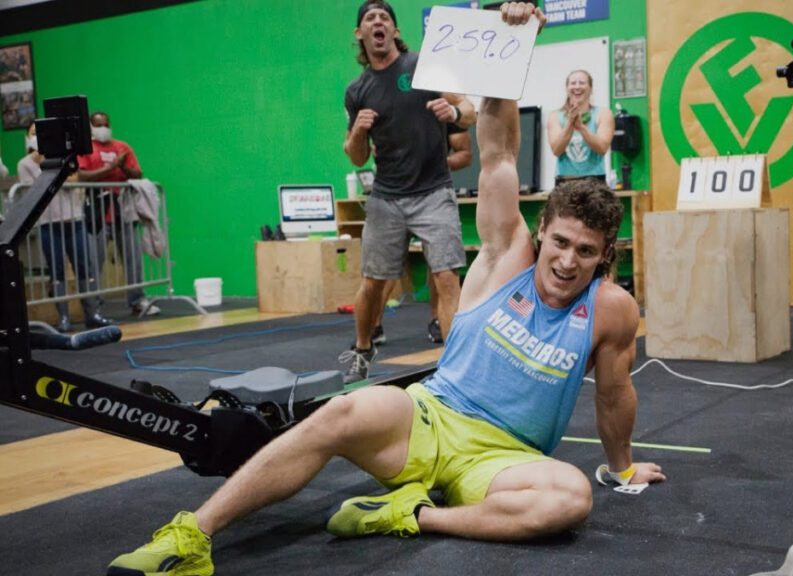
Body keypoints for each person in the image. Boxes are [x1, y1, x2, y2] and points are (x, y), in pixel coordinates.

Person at [105, 4, 664, 575]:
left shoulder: (610, 310)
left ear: (604, 258)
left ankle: (408, 514)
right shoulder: (506, 256)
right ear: (541, 232)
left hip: (504, 462)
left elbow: (614, 396)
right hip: (430, 418)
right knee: (341, 413)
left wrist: (621, 469)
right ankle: (191, 535)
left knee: (570, 498)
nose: (568, 262)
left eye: (586, 252)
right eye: (561, 243)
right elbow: (495, 153)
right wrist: (511, 44)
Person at [339, 0, 476, 382]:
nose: (379, 22)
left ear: (395, 31)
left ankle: (455, 367)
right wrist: (358, 131)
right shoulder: (357, 91)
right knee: (373, 283)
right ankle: (363, 349)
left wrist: (454, 114)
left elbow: (470, 110)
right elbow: (356, 157)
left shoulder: (424, 66)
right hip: (387, 197)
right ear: (360, 34)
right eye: (371, 18)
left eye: (385, 17)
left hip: (434, 191)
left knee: (447, 276)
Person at [374, 123, 472, 346]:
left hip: (433, 197)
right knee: (386, 268)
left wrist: (433, 164)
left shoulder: (441, 103)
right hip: (394, 197)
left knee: (442, 267)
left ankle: (439, 322)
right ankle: (373, 327)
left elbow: (465, 155)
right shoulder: (390, 104)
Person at [17, 122, 112, 332]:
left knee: (84, 268)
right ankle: (64, 317)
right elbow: (36, 193)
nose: (37, 137)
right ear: (27, 137)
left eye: (40, 133)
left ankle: (92, 313)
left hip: (75, 220)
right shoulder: (24, 164)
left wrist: (55, 170)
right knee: (57, 271)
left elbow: (72, 181)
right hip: (48, 224)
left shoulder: (64, 158)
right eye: (33, 134)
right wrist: (45, 166)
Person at [76, 111, 161, 318]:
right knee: (95, 261)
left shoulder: (122, 147)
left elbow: (137, 173)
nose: (103, 128)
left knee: (133, 259)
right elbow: (82, 175)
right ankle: (93, 307)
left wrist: (122, 165)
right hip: (97, 211)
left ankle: (137, 300)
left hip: (123, 210)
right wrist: (112, 167)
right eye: (98, 124)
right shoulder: (86, 149)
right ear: (91, 127)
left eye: (106, 124)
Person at [546, 69, 614, 186]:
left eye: (582, 83)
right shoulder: (554, 116)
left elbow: (602, 148)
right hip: (565, 181)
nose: (577, 87)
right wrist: (571, 123)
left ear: (590, 88)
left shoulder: (604, 113)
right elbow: (556, 150)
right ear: (567, 89)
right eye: (573, 83)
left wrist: (581, 127)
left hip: (595, 180)